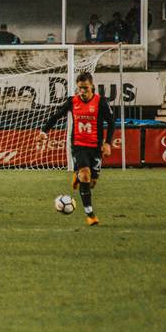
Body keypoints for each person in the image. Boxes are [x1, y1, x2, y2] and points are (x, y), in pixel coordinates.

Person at [37, 72, 114, 226]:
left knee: (91, 183)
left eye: (85, 88)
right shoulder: (73, 101)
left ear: (92, 86)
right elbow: (56, 115)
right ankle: (90, 214)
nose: (83, 91)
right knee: (86, 175)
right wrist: (43, 131)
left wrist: (108, 143)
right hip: (78, 145)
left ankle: (78, 177)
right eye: (80, 88)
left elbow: (111, 122)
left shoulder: (100, 102)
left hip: (95, 147)